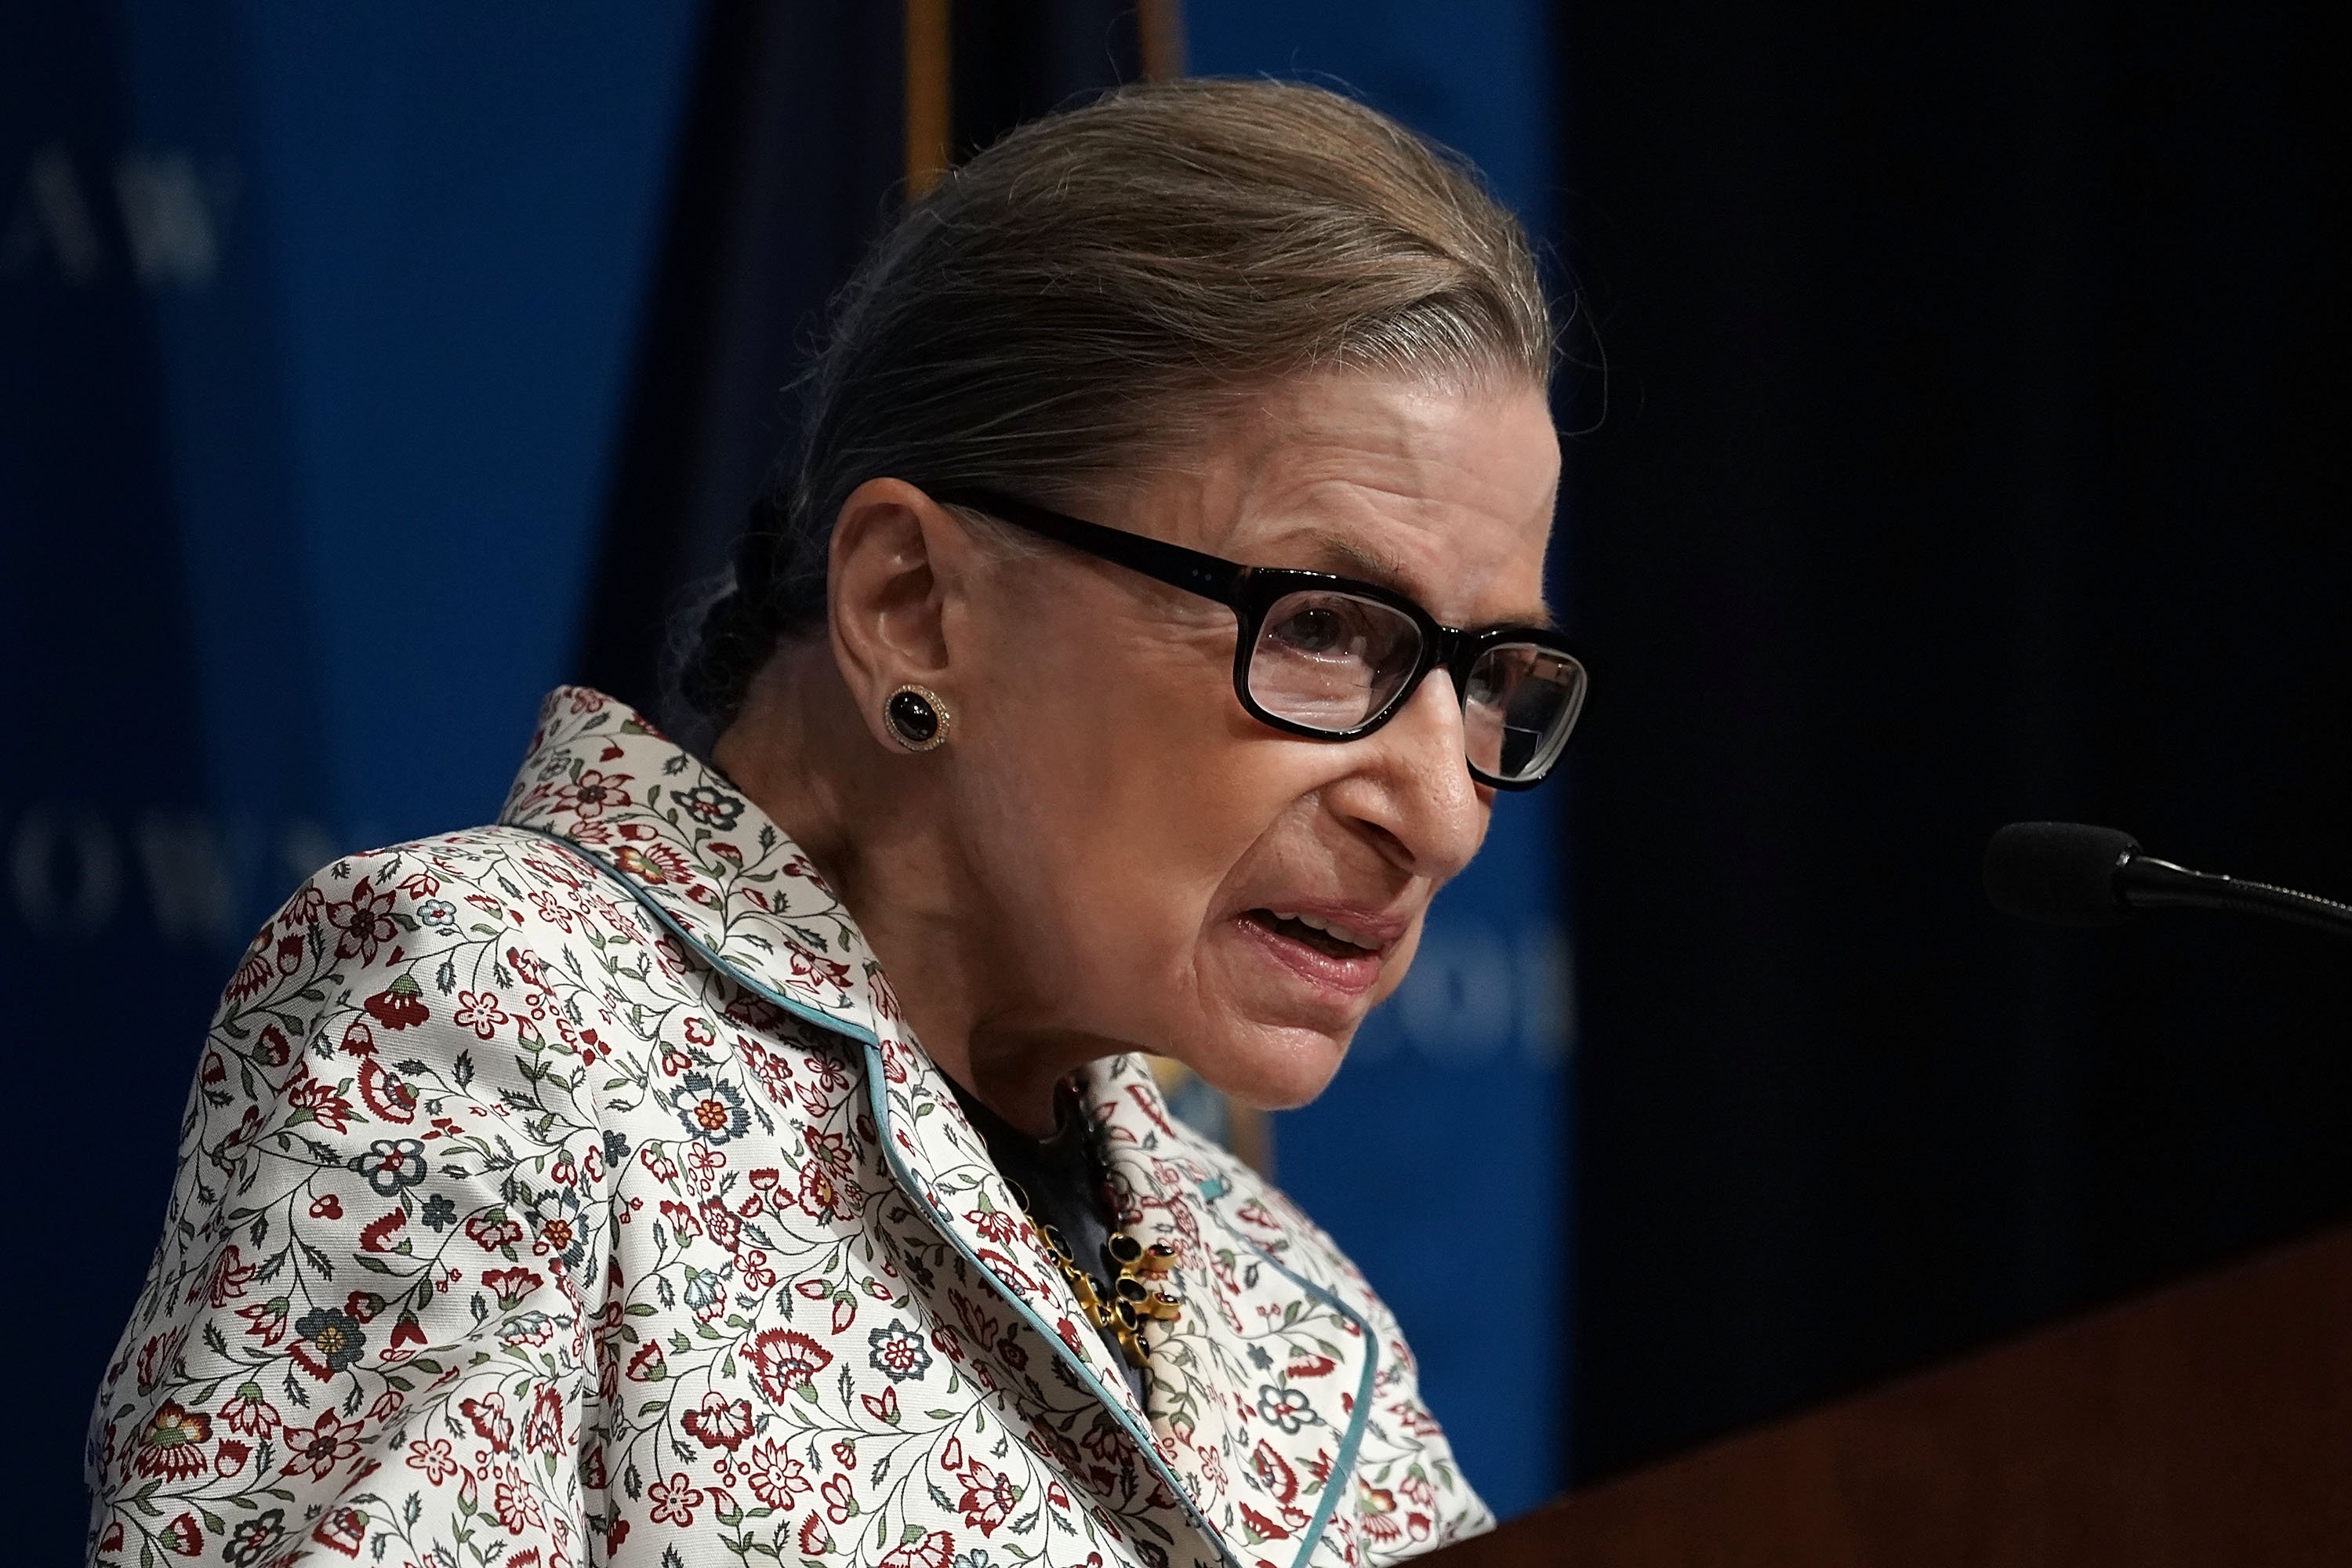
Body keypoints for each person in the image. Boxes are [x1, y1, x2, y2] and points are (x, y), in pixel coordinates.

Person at [86, 78, 1584, 1568]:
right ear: (911, 606)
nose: (1444, 814)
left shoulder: (1298, 1322)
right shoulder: (502, 1016)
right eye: (1328, 627)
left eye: (1487, 679)